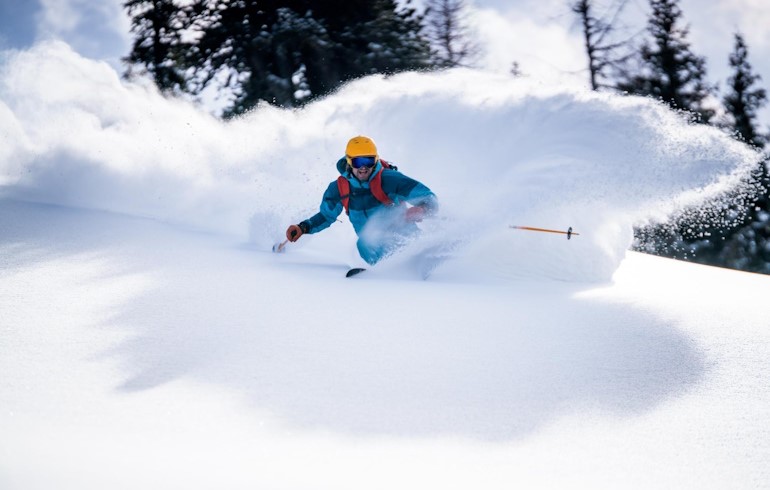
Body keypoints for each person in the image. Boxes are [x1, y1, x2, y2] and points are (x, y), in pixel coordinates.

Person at [285, 135, 438, 265]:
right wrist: (303, 227)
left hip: (405, 238)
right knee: (365, 242)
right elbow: (326, 216)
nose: (363, 167)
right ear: (349, 162)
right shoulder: (339, 188)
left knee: (365, 242)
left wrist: (422, 209)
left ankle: (422, 268)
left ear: (376, 160)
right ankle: (385, 275)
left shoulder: (390, 179)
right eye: (358, 162)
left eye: (369, 161)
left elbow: (429, 198)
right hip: (373, 249)